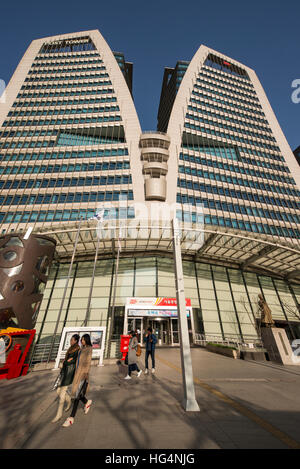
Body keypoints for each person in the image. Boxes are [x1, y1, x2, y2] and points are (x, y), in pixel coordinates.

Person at [62, 334, 93, 427]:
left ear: (87, 340)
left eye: (83, 340)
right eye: (82, 340)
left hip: (83, 374)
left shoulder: (89, 349)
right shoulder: (81, 349)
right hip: (77, 373)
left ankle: (71, 417)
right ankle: (87, 402)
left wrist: (85, 374)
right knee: (78, 394)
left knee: (76, 395)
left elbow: (88, 362)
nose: (82, 341)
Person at [52, 334, 80, 423]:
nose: (70, 341)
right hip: (64, 372)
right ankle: (69, 402)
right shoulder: (71, 348)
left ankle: (59, 414)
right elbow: (67, 360)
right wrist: (65, 362)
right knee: (58, 391)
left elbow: (72, 361)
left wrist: (66, 362)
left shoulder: (77, 350)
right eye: (70, 340)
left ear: (76, 341)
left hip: (69, 373)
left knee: (62, 394)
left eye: (72, 340)